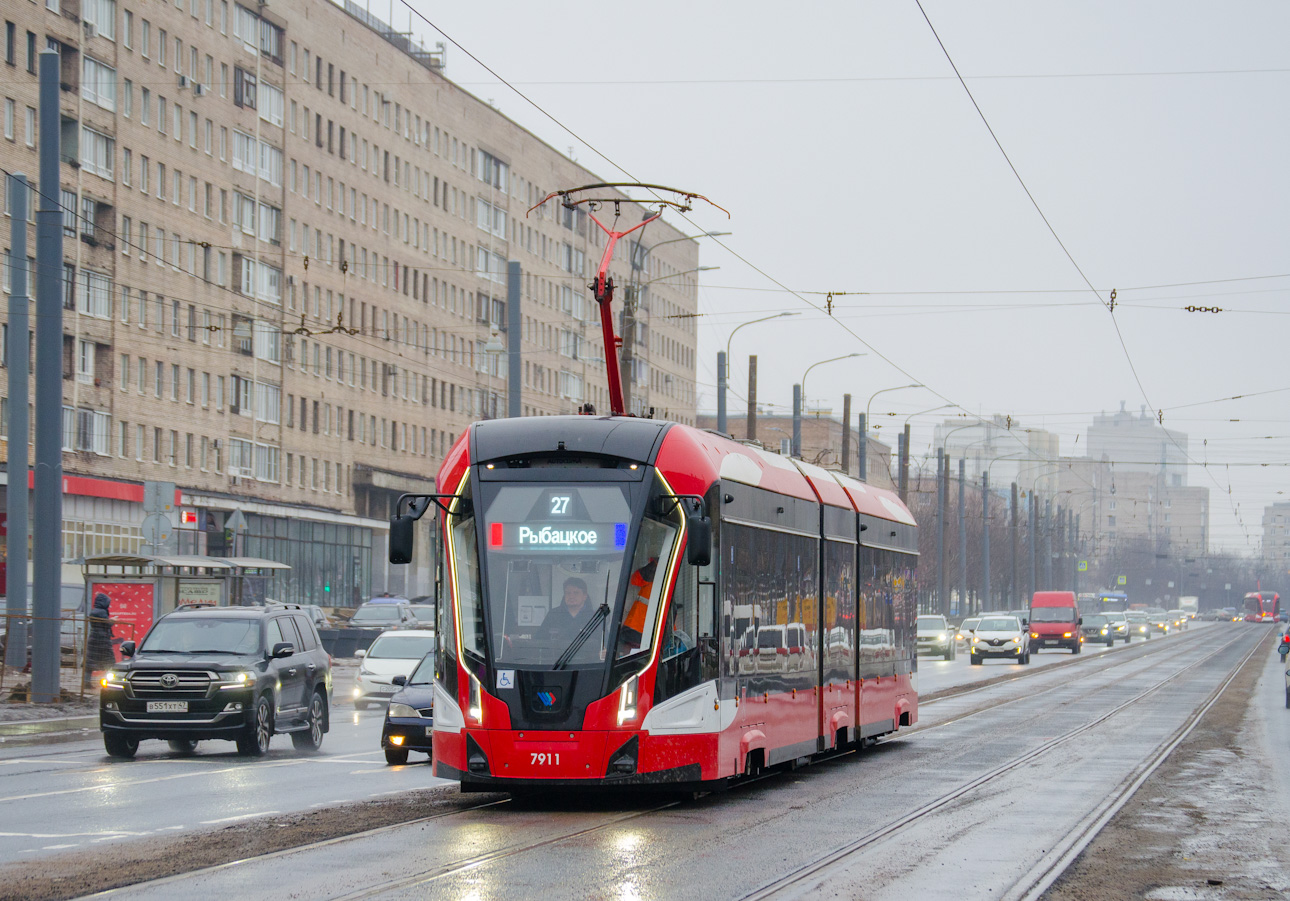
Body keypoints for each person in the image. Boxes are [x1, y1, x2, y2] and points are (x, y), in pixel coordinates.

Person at [540, 577, 595, 643]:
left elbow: (602, 643)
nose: (571, 596)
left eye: (576, 593)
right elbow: (539, 641)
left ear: (584, 596)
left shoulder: (594, 617)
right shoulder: (553, 615)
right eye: (568, 593)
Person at [84, 593, 116, 687]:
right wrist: (112, 620)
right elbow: (107, 624)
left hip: (93, 639)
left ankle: (86, 682)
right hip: (102, 640)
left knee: (90, 663)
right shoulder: (102, 612)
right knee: (109, 661)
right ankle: (109, 682)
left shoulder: (93, 611)